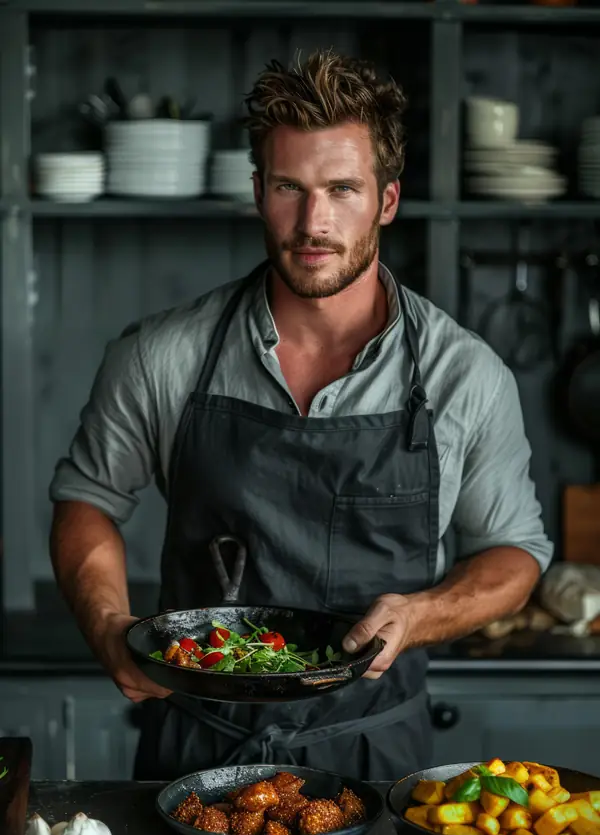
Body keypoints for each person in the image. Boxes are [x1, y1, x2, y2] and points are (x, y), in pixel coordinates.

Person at [49, 50, 553, 782]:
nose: (314, 222)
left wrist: (422, 615)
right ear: (259, 192)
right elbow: (87, 500)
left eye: (342, 189)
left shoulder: (465, 375)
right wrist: (106, 625)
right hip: (196, 751)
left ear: (386, 200)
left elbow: (514, 552)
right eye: (291, 187)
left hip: (374, 758)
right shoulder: (162, 355)